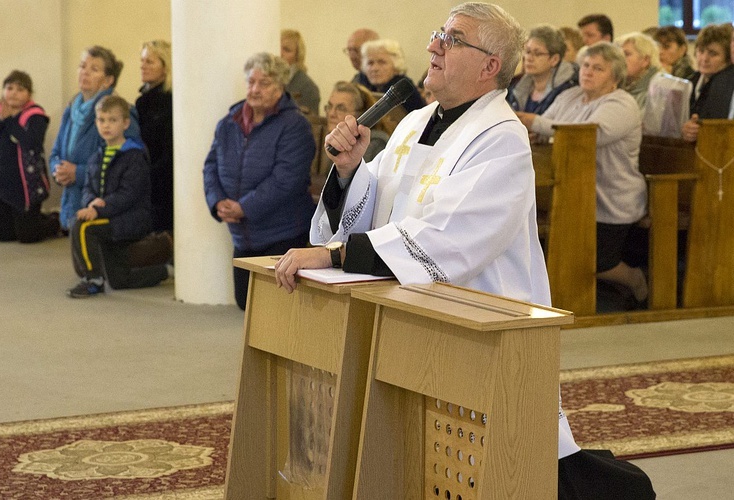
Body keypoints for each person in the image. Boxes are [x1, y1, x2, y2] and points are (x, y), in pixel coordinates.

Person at [274, 4, 655, 497]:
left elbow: (448, 238)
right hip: (409, 313)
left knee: (502, 460)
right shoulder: (413, 124)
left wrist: (331, 257)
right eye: (439, 34)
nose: (433, 45)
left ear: (490, 65)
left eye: (451, 39)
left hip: (481, 322)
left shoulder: (502, 138)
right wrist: (350, 170)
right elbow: (379, 213)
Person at [517, 42, 648, 308]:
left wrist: (533, 122)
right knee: (567, 254)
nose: (588, 72)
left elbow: (587, 136)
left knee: (599, 262)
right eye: (586, 65)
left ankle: (635, 279)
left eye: (598, 68)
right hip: (571, 191)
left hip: (611, 197)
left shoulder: (621, 103)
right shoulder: (571, 96)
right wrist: (536, 131)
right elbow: (549, 124)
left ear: (615, 76)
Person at [203, 52, 315, 311]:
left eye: (264, 83)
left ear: (280, 87)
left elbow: (287, 179)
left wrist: (244, 207)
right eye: (251, 82)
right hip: (243, 236)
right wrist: (217, 201)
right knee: (246, 304)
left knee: (278, 310)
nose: (254, 89)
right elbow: (210, 166)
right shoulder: (229, 123)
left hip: (282, 234)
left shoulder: (294, 125)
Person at [68, 96, 168, 298]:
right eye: (101, 120)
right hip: (107, 216)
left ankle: (93, 280)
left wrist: (98, 209)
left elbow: (128, 194)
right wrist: (90, 203)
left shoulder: (134, 156)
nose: (106, 125)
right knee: (119, 280)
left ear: (125, 123)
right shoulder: (96, 157)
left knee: (81, 226)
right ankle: (164, 271)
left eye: (112, 120)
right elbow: (88, 188)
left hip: (128, 219)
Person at [50, 45, 140, 231]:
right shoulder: (71, 109)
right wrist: (58, 170)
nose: (85, 72)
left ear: (108, 81)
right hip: (73, 202)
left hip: (105, 209)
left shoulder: (122, 114)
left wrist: (79, 173)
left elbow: (128, 166)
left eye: (94, 69)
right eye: (82, 66)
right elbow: (56, 152)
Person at [0, 70, 59, 243]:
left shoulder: (36, 115)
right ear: (3, 91)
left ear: (29, 94)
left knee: (28, 237)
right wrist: (0, 119)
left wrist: (10, 120)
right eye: (10, 88)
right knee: (3, 236)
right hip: (1, 184)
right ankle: (31, 219)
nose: (14, 93)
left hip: (25, 184)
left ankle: (53, 221)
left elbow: (30, 142)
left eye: (20, 89)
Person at [136, 40, 174, 233]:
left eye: (149, 61)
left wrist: (148, 175)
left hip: (162, 180)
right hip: (145, 176)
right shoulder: (142, 101)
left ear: (165, 67)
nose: (143, 66)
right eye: (142, 61)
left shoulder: (170, 102)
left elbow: (168, 150)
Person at [507, 25, 578, 115]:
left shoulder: (567, 91)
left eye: (537, 53)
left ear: (554, 59)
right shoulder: (515, 87)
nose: (529, 58)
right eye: (528, 52)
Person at [682, 23, 734, 142]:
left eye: (713, 53)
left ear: (728, 58)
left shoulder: (727, 86)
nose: (704, 59)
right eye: (701, 51)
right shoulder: (690, 82)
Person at [361, 39, 426, 113]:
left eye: (382, 62)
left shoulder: (402, 89)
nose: (375, 68)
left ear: (396, 65)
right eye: (370, 63)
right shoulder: (366, 87)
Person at [616, 32, 663, 112]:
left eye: (626, 54)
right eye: (618, 55)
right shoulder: (618, 85)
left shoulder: (658, 92)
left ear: (645, 60)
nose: (620, 59)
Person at [281, 30, 321, 115]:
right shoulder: (270, 81)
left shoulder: (308, 88)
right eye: (278, 47)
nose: (280, 53)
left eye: (287, 50)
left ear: (298, 56)